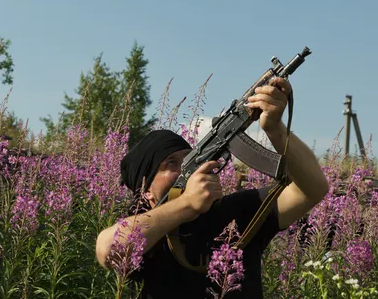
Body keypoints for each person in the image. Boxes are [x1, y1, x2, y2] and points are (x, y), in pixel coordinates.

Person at [95, 77, 330, 298]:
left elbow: (313, 189)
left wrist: (275, 129)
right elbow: (108, 250)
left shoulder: (237, 214)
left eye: (189, 160)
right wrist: (186, 204)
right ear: (145, 189)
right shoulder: (147, 235)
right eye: (171, 164)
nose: (186, 169)